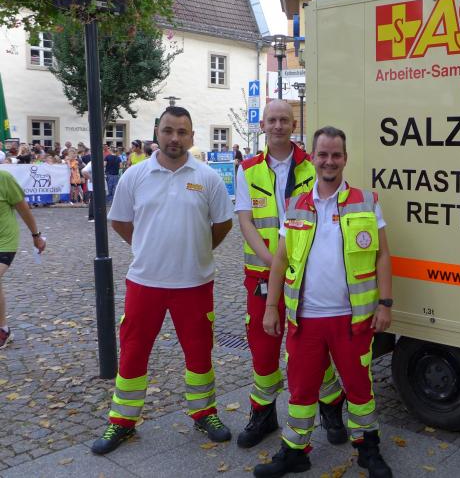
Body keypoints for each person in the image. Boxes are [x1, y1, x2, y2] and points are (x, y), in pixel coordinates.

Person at [91, 106, 234, 455]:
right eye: (168, 130)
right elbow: (120, 221)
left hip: (194, 283)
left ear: (192, 136)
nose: (174, 138)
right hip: (145, 282)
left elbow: (223, 223)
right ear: (157, 132)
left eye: (182, 132)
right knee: (133, 351)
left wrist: (198, 249)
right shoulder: (135, 175)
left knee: (199, 352)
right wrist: (146, 246)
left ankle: (204, 413)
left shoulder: (208, 177)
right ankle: (122, 421)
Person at [254, 126, 394, 478]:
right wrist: (271, 307)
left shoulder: (365, 200)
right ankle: (295, 451)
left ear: (345, 158)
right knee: (301, 390)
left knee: (359, 388)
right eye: (323, 154)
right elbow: (281, 260)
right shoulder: (295, 205)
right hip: (305, 319)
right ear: (313, 157)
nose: (329, 161)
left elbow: (382, 255)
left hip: (352, 319)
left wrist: (385, 303)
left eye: (336, 155)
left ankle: (368, 448)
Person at [235, 100, 345, 450]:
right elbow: (246, 222)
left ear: (293, 124)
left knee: (313, 349)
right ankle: (263, 414)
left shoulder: (314, 165)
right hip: (262, 274)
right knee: (263, 348)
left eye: (284, 119)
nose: (278, 125)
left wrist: (289, 266)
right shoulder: (247, 169)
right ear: (262, 125)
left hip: (307, 275)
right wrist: (274, 263)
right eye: (272, 120)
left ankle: (331, 407)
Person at [0, 170, 46, 348]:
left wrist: (36, 235)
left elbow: (23, 209)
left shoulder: (4, 178)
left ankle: (3, 331)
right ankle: (3, 328)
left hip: (4, 241)